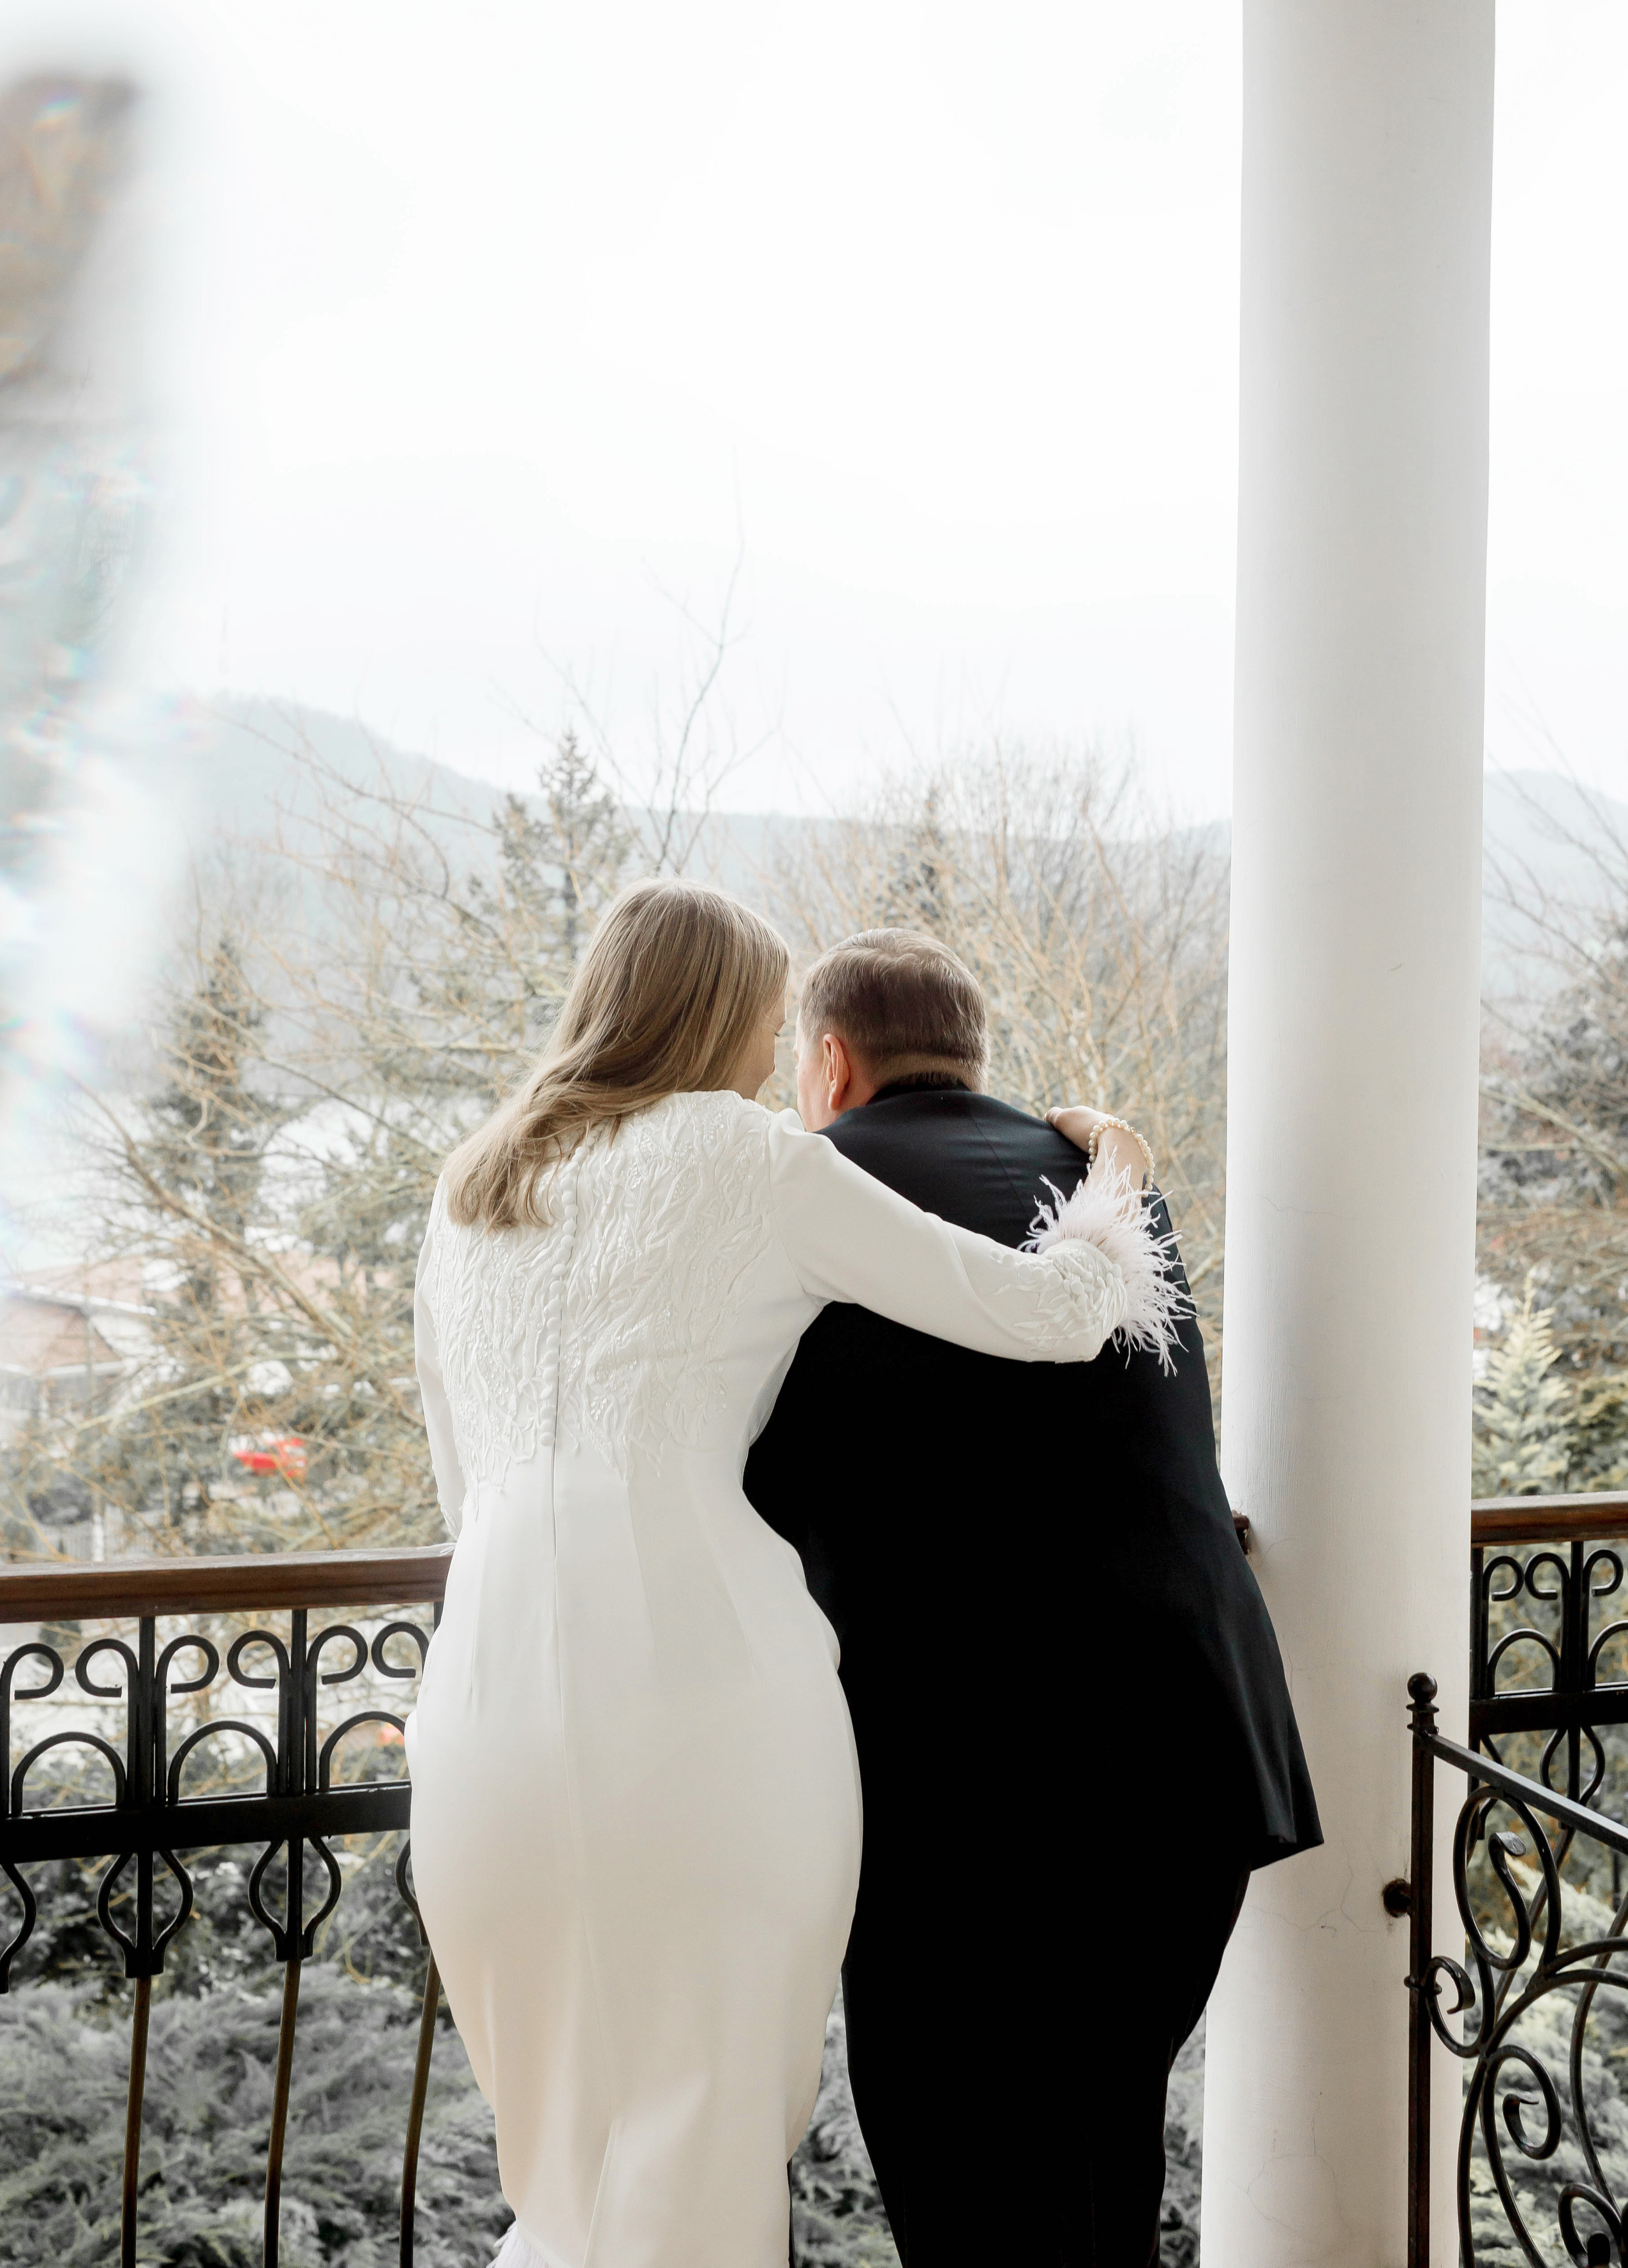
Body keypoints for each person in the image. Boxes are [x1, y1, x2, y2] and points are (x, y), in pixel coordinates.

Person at [405, 881, 1186, 2268]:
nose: (775, 1056)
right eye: (765, 1023)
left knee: (561, 2145)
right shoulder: (756, 1159)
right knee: (705, 2109)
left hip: (484, 1699)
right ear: (724, 1020)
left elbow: (462, 1480)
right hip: (709, 1688)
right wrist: (1114, 1168)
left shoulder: (474, 1184)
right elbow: (1055, 1315)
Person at [744, 928, 1321, 2268]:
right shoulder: (1104, 1184)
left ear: (828, 1060)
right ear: (975, 1053)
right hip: (1193, 1765)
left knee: (967, 2197)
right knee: (1096, 2157)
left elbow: (760, 1481)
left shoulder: (805, 1193)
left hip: (973, 1799)